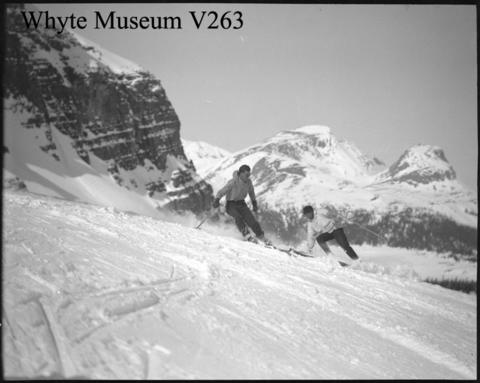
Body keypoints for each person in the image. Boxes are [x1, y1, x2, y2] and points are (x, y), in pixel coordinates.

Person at [213, 165, 269, 244]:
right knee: (238, 217)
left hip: (242, 204)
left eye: (249, 175)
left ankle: (261, 236)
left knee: (252, 220)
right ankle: (247, 236)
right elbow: (222, 191)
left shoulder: (248, 182)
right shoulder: (233, 182)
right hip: (231, 205)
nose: (248, 177)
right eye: (247, 175)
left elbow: (251, 192)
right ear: (241, 173)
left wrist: (254, 203)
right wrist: (217, 199)